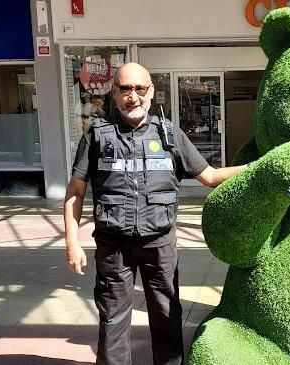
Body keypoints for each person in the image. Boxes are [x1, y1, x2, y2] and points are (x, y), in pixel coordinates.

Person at [64, 62, 246, 365]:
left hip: (159, 246)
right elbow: (75, 192)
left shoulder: (169, 135)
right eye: (125, 89)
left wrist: (261, 166)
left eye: (139, 88)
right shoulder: (97, 136)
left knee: (166, 317)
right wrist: (72, 242)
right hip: (114, 248)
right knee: (112, 321)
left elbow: (211, 177)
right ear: (114, 93)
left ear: (151, 92)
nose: (132, 96)